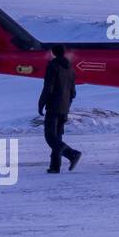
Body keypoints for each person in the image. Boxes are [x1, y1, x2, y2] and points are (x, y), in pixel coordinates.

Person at [38, 44, 81, 173]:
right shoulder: (71, 69)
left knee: (50, 136)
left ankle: (72, 154)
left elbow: (48, 87)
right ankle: (55, 166)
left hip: (53, 106)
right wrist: (67, 105)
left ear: (53, 53)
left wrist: (41, 103)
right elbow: (73, 92)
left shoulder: (53, 66)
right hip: (64, 107)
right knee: (57, 136)